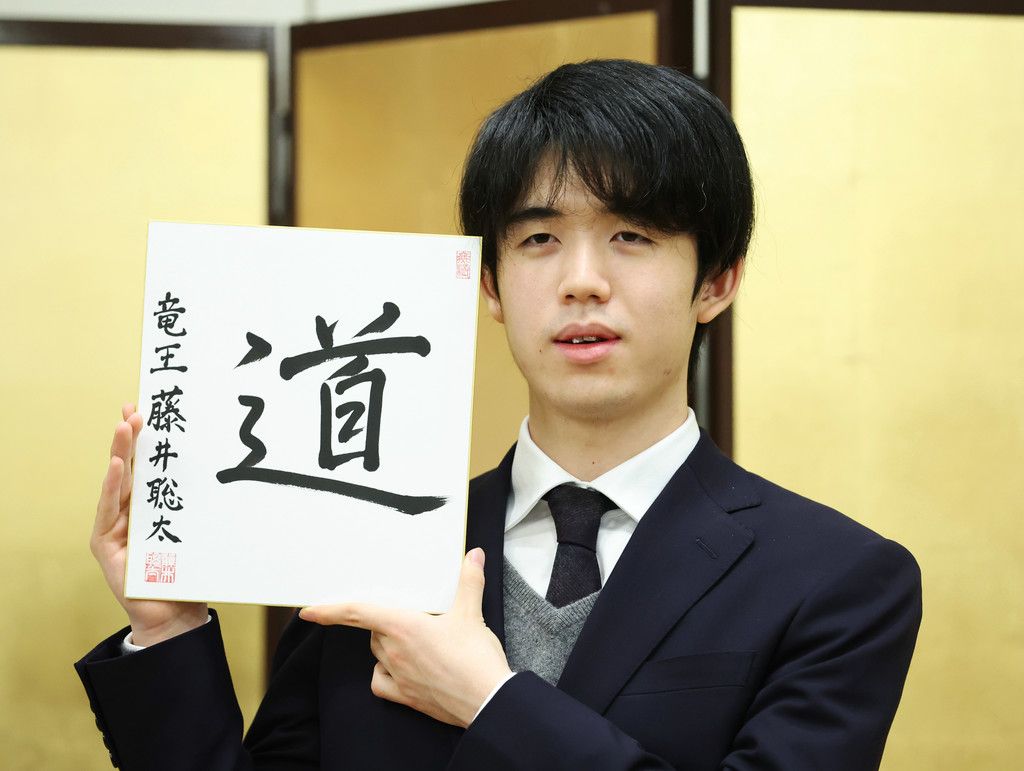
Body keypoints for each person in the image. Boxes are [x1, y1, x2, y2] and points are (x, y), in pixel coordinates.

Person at [77, 59, 921, 770]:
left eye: (632, 235)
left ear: (717, 280)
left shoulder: (838, 581)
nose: (582, 280)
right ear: (488, 284)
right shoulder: (365, 538)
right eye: (538, 239)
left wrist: (489, 699)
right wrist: (169, 629)